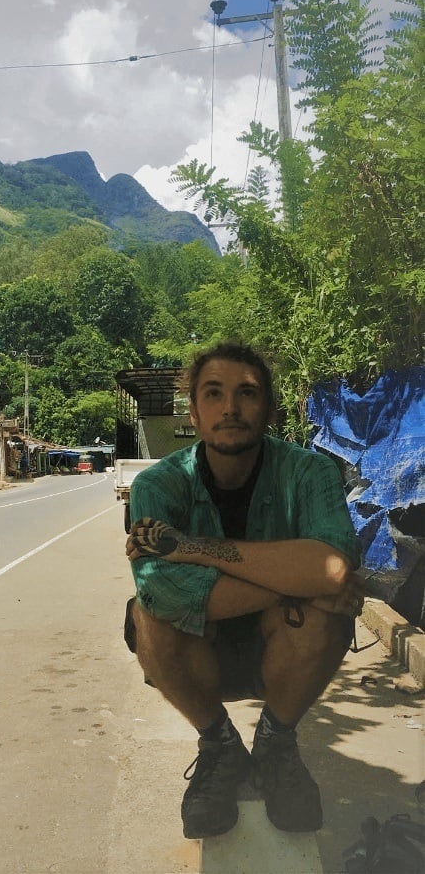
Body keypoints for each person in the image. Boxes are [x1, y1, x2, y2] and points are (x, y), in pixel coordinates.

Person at [125, 341, 362, 840]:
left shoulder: (310, 472)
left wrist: (193, 547)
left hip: (283, 648)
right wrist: (294, 584)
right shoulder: (159, 485)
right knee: (146, 615)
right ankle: (219, 745)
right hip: (198, 649)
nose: (230, 408)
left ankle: (276, 741)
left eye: (247, 393)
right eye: (213, 393)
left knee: (326, 615)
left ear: (270, 409)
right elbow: (161, 591)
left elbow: (334, 570)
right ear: (193, 411)